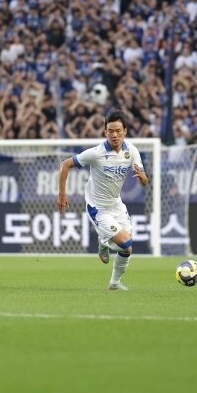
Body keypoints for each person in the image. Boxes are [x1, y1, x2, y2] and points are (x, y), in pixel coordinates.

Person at [57, 109, 149, 291]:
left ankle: (114, 283)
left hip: (116, 205)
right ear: (105, 132)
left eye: (118, 131)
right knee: (125, 242)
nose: (115, 135)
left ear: (125, 131)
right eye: (111, 131)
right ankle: (104, 240)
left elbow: (145, 182)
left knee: (127, 249)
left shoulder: (131, 151)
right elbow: (65, 165)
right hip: (98, 208)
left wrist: (143, 177)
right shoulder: (96, 153)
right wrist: (62, 194)